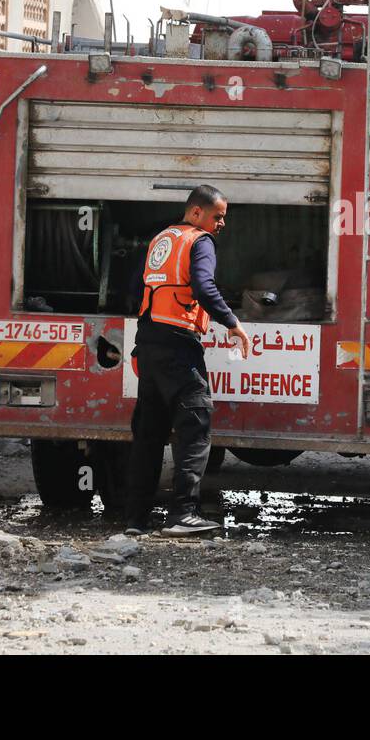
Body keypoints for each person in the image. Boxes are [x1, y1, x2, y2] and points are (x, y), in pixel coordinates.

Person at [124, 185, 251, 536]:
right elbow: (203, 286)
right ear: (196, 213)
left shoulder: (161, 239)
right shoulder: (200, 241)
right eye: (218, 216)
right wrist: (233, 323)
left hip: (149, 342)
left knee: (149, 433)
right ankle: (183, 513)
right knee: (196, 425)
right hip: (179, 344)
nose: (221, 223)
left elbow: (137, 287)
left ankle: (135, 518)